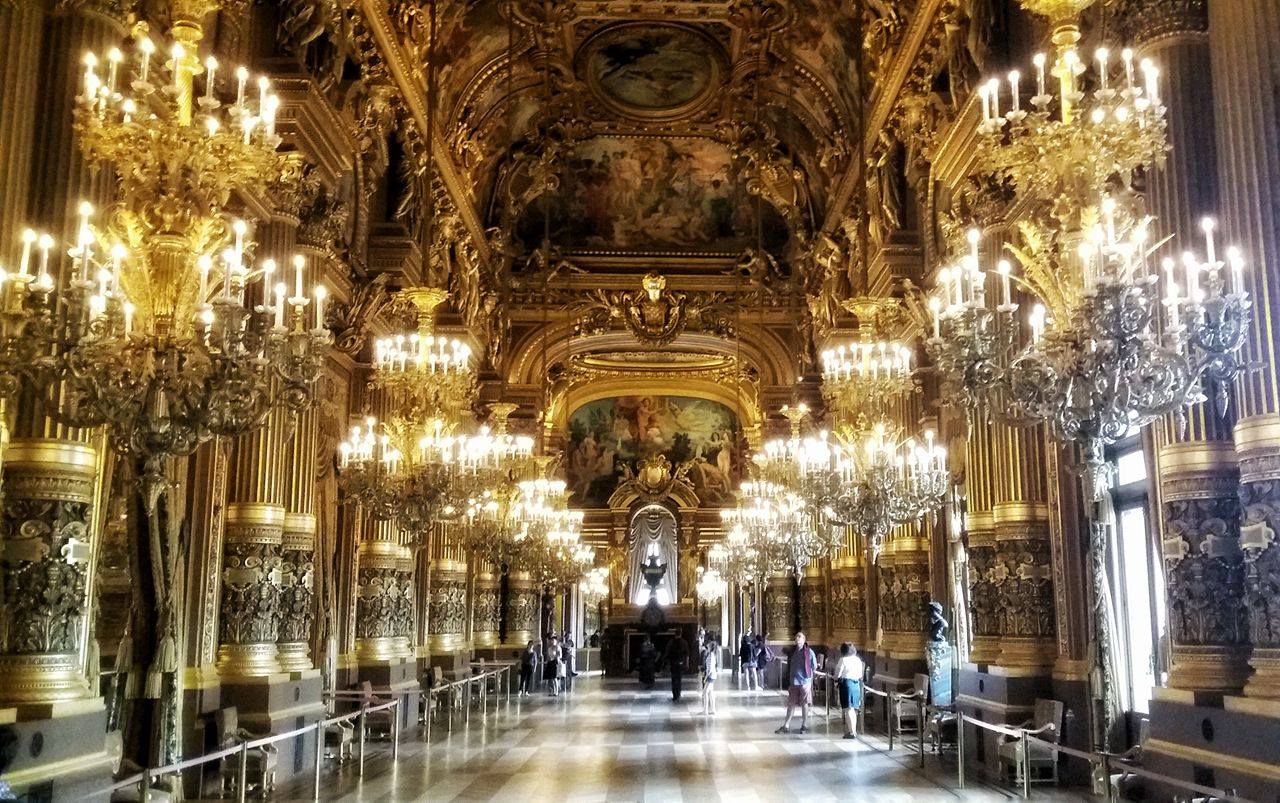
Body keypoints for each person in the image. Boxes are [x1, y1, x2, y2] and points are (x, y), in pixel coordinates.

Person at [775, 631, 817, 734]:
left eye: (800, 639)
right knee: (791, 703)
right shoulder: (793, 652)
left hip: (804, 681)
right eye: (796, 639)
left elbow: (814, 666)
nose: (798, 641)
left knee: (804, 703)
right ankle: (786, 725)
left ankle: (804, 725)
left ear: (804, 640)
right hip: (794, 681)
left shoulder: (809, 652)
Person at [834, 642, 865, 738]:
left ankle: (852, 732)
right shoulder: (858, 660)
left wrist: (836, 679)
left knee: (848, 708)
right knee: (854, 709)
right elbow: (860, 675)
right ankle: (853, 730)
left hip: (846, 684)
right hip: (856, 684)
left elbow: (838, 673)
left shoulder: (843, 660)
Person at [663, 631, 691, 702]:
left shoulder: (671, 642)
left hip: (673, 663)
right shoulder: (684, 642)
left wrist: (667, 663)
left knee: (673, 679)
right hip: (681, 664)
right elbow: (687, 654)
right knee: (679, 679)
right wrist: (687, 664)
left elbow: (667, 653)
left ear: (675, 634)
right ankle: (678, 693)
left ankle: (674, 695)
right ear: (681, 634)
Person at [700, 634, 720, 716]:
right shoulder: (710, 654)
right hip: (712, 675)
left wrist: (706, 677)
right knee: (711, 693)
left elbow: (710, 667)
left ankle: (705, 710)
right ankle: (712, 709)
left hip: (710, 676)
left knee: (705, 692)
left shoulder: (711, 655)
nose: (707, 645)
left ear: (711, 647)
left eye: (708, 644)